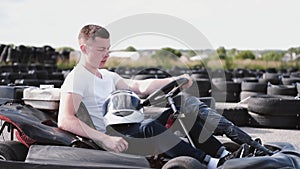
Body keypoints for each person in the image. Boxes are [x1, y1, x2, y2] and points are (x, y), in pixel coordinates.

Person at [57, 24, 270, 169]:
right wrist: (106, 139)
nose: (107, 55)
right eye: (101, 50)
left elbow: (139, 87)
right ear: (84, 48)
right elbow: (65, 119)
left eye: (108, 49)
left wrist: (174, 80)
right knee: (149, 126)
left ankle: (229, 152)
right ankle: (211, 163)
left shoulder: (108, 76)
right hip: (110, 137)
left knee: (185, 110)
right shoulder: (77, 79)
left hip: (128, 127)